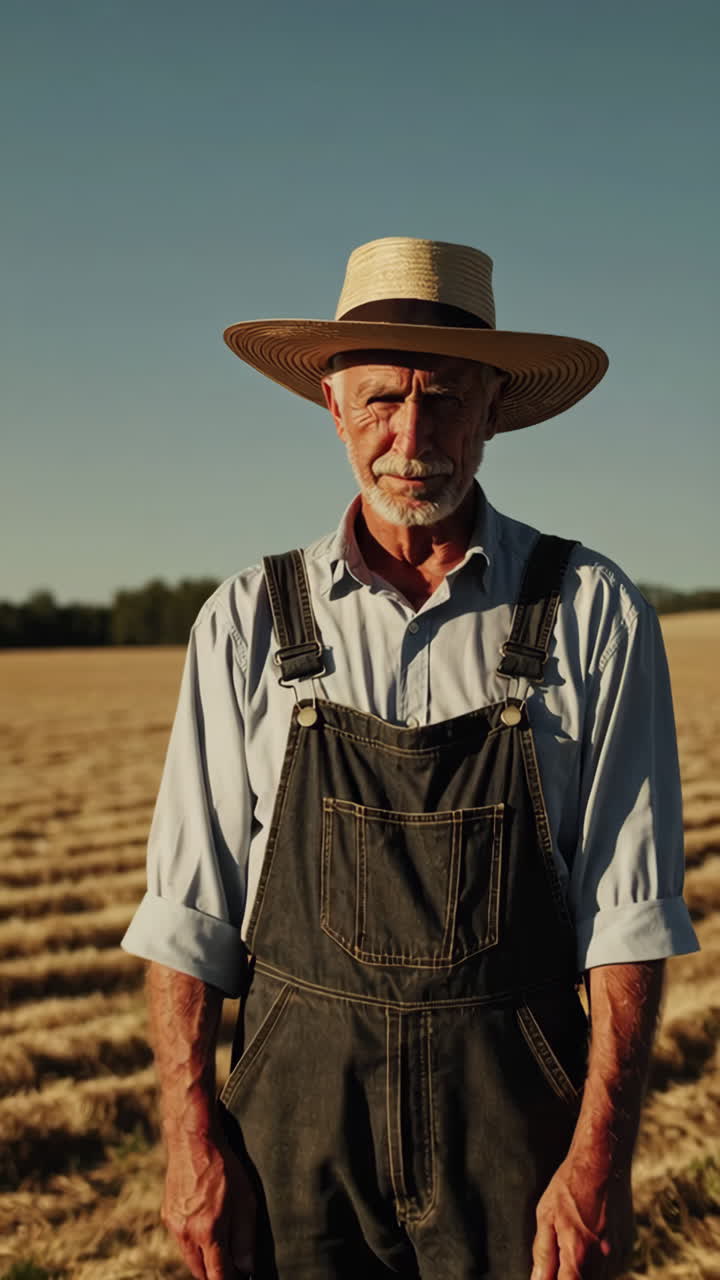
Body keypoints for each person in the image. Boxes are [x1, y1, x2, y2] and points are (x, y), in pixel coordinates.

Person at [122, 236, 699, 1280]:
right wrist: (188, 1139)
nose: (413, 434)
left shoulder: (591, 611)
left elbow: (630, 913)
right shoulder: (249, 620)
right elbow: (189, 912)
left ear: (493, 407)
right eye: (384, 398)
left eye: (444, 399)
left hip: (514, 1134)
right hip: (294, 1136)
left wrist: (602, 1156)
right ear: (333, 405)